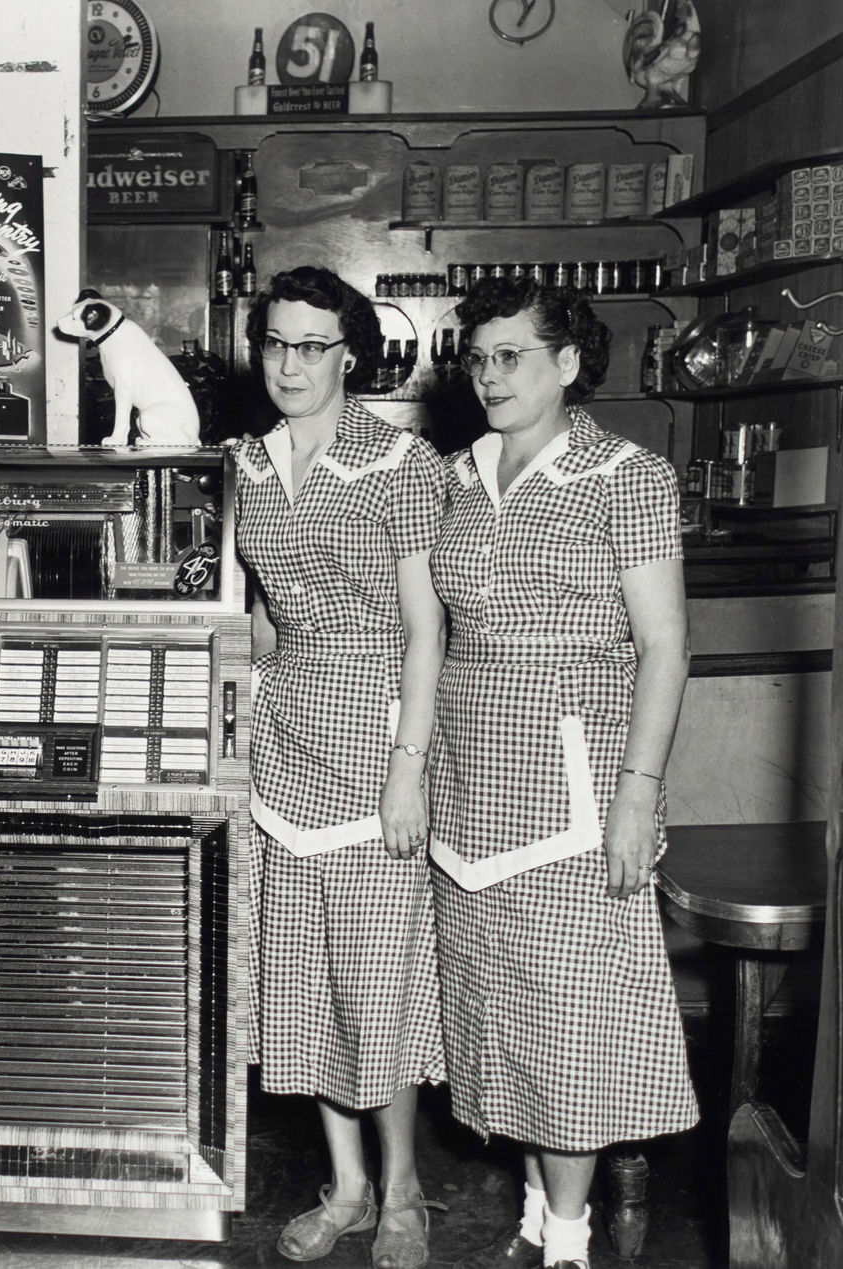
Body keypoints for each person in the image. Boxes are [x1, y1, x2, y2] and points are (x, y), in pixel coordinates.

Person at [428, 277, 697, 1269]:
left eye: (512, 356)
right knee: (498, 1002)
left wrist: (639, 792)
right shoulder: (453, 475)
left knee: (569, 1015)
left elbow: (664, 646)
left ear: (569, 361)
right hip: (467, 782)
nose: (488, 376)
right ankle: (540, 1209)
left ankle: (570, 1243)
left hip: (573, 786)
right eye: (478, 358)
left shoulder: (625, 475)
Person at [234, 266, 449, 1268]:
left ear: (349, 355)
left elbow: (425, 629)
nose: (290, 363)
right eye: (275, 342)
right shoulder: (244, 462)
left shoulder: (398, 459)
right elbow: (263, 616)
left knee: (378, 978)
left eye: (311, 345)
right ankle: (349, 1187)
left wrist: (408, 765)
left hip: (374, 735)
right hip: (284, 742)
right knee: (306, 972)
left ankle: (403, 1191)